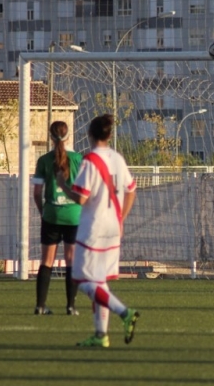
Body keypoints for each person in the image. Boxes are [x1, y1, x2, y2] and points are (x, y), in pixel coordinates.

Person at [55, 114, 139, 348]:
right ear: (109, 135)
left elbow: (81, 198)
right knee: (99, 282)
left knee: (81, 280)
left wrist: (62, 185)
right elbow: (132, 190)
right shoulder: (118, 159)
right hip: (113, 228)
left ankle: (125, 312)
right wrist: (121, 218)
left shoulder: (90, 160)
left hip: (93, 229)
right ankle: (101, 335)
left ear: (90, 135)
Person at [32, 121, 83, 315]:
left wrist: (42, 211)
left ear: (50, 137)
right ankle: (71, 306)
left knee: (47, 261)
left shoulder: (44, 160)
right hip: (74, 216)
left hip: (51, 214)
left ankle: (40, 305)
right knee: (71, 260)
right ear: (68, 136)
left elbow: (37, 193)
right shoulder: (78, 159)